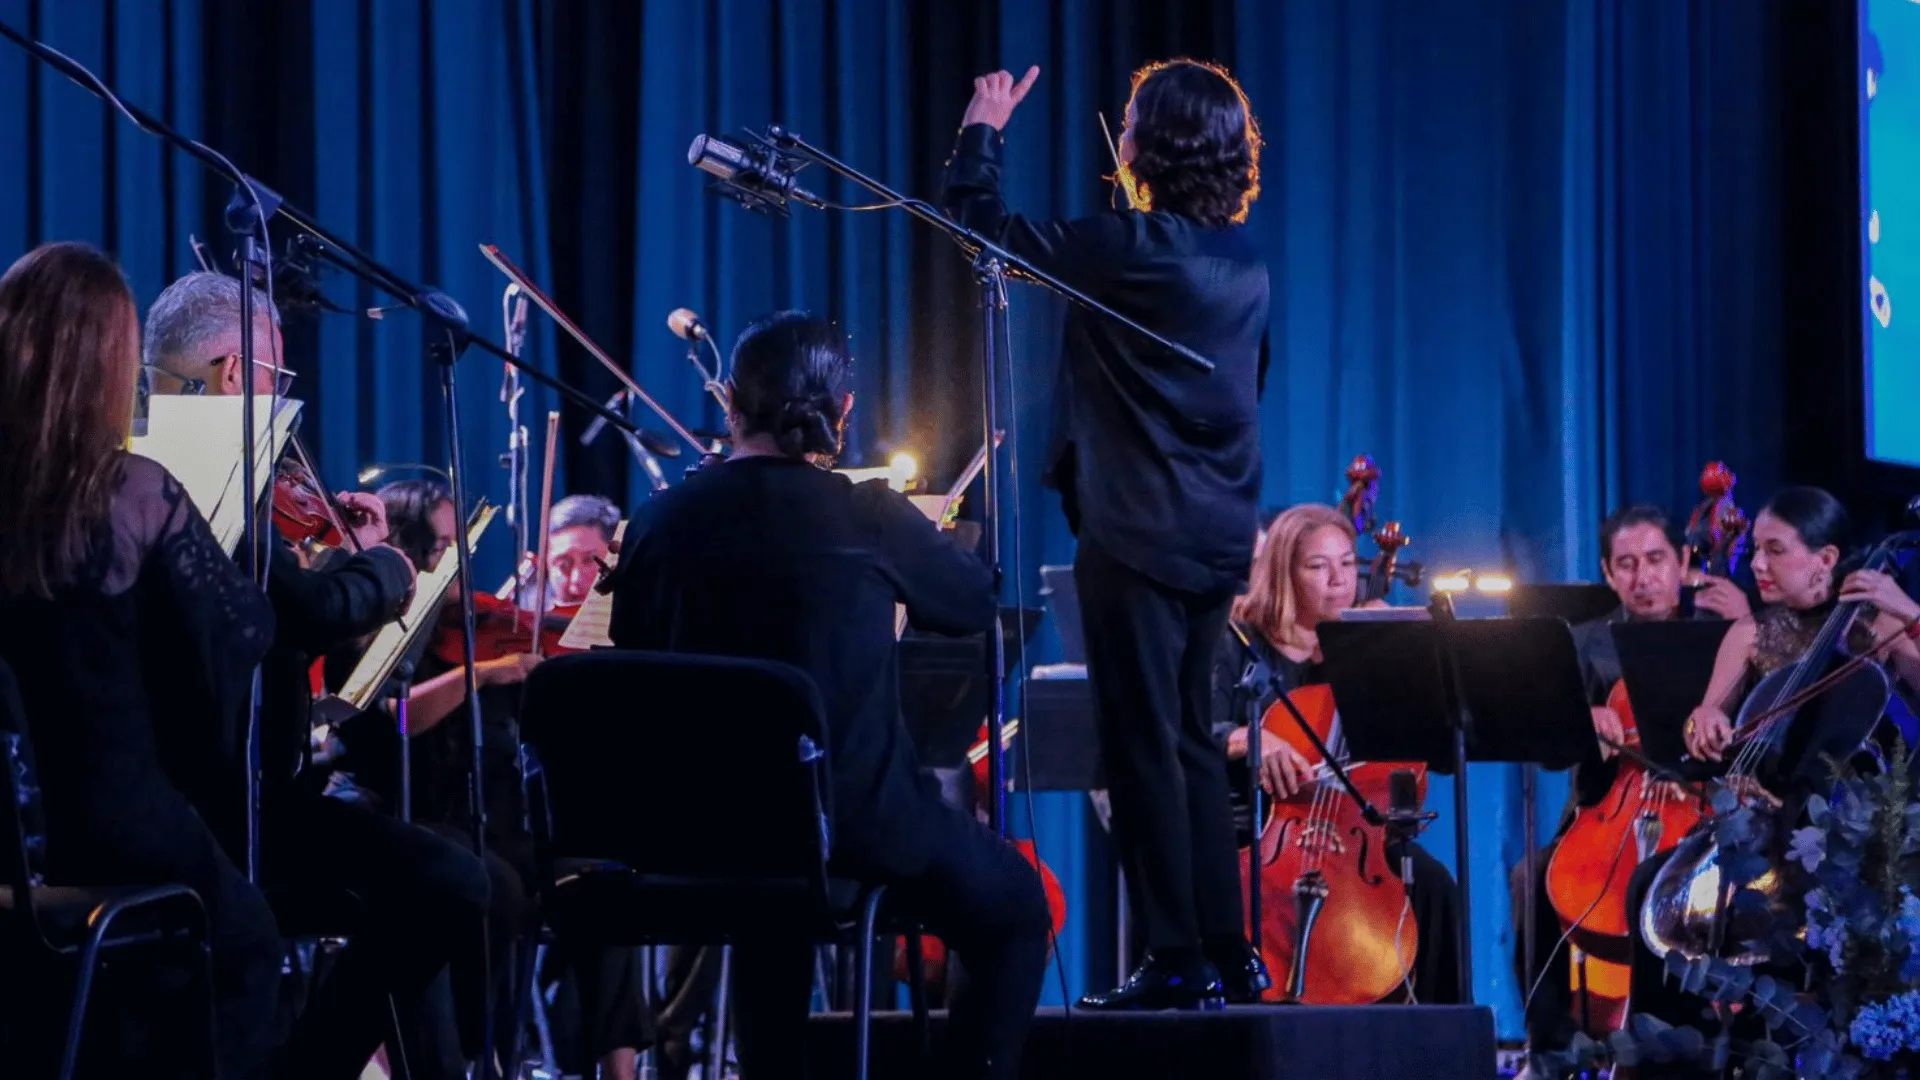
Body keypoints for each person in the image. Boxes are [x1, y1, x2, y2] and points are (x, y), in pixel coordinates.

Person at [607, 311, 1051, 1080]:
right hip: (852, 827)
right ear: (842, 413)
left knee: (766, 903)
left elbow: (633, 651)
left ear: (730, 408)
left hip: (697, 831)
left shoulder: (657, 521)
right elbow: (973, 604)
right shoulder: (866, 513)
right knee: (1018, 907)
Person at [945, 57, 1270, 1010]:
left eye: (1130, 122)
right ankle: (1226, 952)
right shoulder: (1245, 264)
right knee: (1194, 745)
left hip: (1136, 531)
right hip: (1218, 531)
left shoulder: (1132, 249)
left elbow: (983, 232)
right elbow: (1251, 390)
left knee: (1140, 747)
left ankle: (1175, 960)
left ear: (1153, 145)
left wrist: (983, 130)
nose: (1118, 135)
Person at [145, 270, 492, 1080]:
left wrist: (340, 564)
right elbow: (291, 611)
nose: (276, 396)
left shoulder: (140, 472)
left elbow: (269, 614)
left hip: (182, 795)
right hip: (228, 810)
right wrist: (384, 570)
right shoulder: (205, 486)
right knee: (450, 883)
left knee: (426, 882)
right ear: (235, 374)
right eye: (274, 375)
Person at [0, 242, 283, 1078]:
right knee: (247, 944)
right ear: (110, 366)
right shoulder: (133, 491)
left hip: (19, 836)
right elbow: (245, 633)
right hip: (114, 823)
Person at [1620, 487, 1920, 1078]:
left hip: (1853, 837)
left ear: (1826, 559)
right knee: (1650, 883)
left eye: (1774, 550)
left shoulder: (1881, 623)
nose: (1756, 564)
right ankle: (1662, 1062)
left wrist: (1909, 613)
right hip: (1760, 826)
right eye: (1755, 549)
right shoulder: (1753, 632)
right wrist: (1704, 718)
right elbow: (1710, 710)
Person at [1513, 504, 1748, 1056]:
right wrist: (1581, 720)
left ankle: (1690, 1043)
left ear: (1685, 560)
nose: (1643, 578)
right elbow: (1547, 749)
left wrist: (1747, 620)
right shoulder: (1583, 642)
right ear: (1607, 571)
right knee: (1531, 877)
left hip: (1700, 816)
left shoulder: (1723, 634)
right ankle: (1548, 1046)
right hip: (1607, 815)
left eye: (1656, 560)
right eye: (1626, 564)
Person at [1212, 504, 1463, 1004]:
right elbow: (1196, 728)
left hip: (1354, 838)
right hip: (1257, 830)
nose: (1338, 581)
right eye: (1318, 566)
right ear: (1284, 572)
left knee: (1432, 886)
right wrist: (1253, 740)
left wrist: (1394, 656)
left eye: (1348, 564)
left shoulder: (1367, 641)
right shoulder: (1237, 642)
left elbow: (1432, 752)